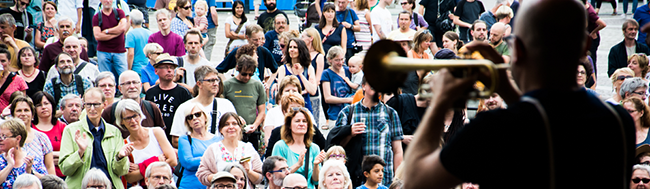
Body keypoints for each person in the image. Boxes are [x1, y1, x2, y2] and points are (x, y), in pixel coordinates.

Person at [402, 0, 636, 188]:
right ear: (586, 46)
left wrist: (442, 101)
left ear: (519, 51)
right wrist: (505, 87)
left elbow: (416, 180)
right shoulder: (618, 121)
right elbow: (550, 124)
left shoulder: (496, 128)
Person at [331, 78, 403, 187]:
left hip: (384, 180)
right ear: (363, 86)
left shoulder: (391, 113)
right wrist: (350, 132)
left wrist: (397, 180)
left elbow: (397, 150)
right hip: (356, 178)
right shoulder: (347, 112)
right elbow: (337, 148)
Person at [59, 88, 133, 189]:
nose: (92, 108)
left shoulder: (114, 132)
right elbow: (65, 169)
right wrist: (80, 153)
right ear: (84, 105)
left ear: (104, 104)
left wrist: (120, 157)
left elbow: (122, 171)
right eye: (88, 104)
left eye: (96, 104)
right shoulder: (71, 130)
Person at [170, 66, 237, 148]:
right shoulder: (184, 108)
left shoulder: (226, 105)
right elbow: (176, 140)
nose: (216, 84)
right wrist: (200, 146)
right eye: (211, 80)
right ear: (199, 84)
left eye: (217, 80)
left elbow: (236, 133)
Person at [115, 99, 176, 186]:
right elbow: (130, 178)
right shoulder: (125, 144)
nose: (133, 121)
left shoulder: (156, 132)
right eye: (128, 118)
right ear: (121, 121)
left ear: (140, 115)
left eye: (135, 116)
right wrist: (157, 160)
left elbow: (173, 161)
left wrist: (140, 167)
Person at [196, 112, 264, 188]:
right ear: (220, 130)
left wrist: (248, 171)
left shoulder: (248, 148)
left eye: (234, 124)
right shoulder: (213, 149)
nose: (231, 127)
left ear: (240, 128)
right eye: (226, 124)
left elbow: (260, 177)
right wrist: (222, 178)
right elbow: (202, 174)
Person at [271, 107, 325, 189]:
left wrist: (316, 165)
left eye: (304, 121)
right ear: (289, 125)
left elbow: (316, 181)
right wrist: (298, 165)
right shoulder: (280, 146)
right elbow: (277, 178)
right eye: (297, 121)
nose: (301, 124)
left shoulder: (314, 148)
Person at [101, 70, 166, 138]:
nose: (132, 86)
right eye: (127, 83)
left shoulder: (151, 108)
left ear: (140, 86)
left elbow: (162, 136)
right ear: (120, 88)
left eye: (135, 82)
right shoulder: (110, 111)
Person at [222, 55, 267, 151]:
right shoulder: (227, 85)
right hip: (232, 131)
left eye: (250, 75)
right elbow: (222, 108)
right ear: (237, 69)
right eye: (244, 74)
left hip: (251, 132)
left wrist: (255, 125)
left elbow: (262, 111)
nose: (247, 77)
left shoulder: (257, 85)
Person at [145, 53, 193, 141]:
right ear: (156, 71)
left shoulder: (183, 92)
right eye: (165, 67)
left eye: (171, 67)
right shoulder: (151, 93)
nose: (169, 70)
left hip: (176, 138)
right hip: (155, 138)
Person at [265, 93, 326, 158]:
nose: (297, 112)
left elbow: (325, 147)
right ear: (284, 112)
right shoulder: (277, 133)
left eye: (300, 108)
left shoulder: (311, 128)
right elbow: (269, 158)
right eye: (293, 109)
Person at [176, 104, 222, 189]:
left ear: (205, 117)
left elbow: (222, 161)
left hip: (212, 186)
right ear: (188, 122)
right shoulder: (184, 139)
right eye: (190, 117)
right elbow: (188, 163)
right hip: (189, 186)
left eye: (198, 114)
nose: (194, 118)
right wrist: (211, 159)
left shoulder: (218, 140)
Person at [31, 92, 67, 178]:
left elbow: (69, 153)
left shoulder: (62, 126)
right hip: (37, 176)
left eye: (46, 103)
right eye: (39, 105)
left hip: (62, 175)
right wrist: (52, 156)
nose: (43, 107)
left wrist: (46, 156)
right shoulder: (30, 128)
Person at [93, 0, 129, 82]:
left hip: (120, 51)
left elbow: (123, 27)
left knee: (125, 77)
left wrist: (107, 31)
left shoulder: (119, 13)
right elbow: (97, 36)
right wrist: (117, 32)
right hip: (103, 52)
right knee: (105, 78)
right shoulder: (97, 17)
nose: (108, 1)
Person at [276, 39, 318, 109]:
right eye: (290, 47)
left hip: (304, 105)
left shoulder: (309, 68)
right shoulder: (283, 69)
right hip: (287, 106)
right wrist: (302, 92)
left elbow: (313, 90)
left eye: (295, 47)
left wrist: (300, 74)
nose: (291, 50)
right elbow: (280, 91)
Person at [321, 46, 354, 128]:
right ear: (330, 59)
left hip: (350, 113)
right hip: (335, 115)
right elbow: (327, 98)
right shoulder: (326, 73)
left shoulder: (348, 70)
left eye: (342, 59)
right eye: (337, 60)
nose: (340, 62)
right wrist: (348, 100)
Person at [0, 118, 32, 187]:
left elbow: (44, 183)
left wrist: (29, 171)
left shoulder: (31, 159)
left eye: (4, 136)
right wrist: (9, 166)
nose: (0, 139)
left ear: (18, 139)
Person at [125, 9, 152, 76]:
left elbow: (131, 53)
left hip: (136, 69)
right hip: (148, 68)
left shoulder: (131, 34)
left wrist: (129, 69)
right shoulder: (149, 33)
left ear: (130, 21)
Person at [0, 46, 26, 111]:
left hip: (10, 117)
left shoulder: (18, 79)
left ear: (9, 62)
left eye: (3, 61)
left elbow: (23, 102)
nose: (0, 64)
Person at [585, 0, 607, 77]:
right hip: (588, 38)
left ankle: (593, 81)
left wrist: (593, 32)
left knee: (591, 61)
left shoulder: (589, 12)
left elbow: (603, 24)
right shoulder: (586, 5)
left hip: (592, 39)